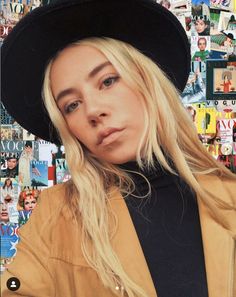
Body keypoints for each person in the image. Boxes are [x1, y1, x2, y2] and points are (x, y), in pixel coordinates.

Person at [1, 1, 236, 297]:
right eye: (72, 105)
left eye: (108, 81)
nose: (93, 111)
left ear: (148, 80)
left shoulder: (229, 196)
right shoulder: (58, 213)